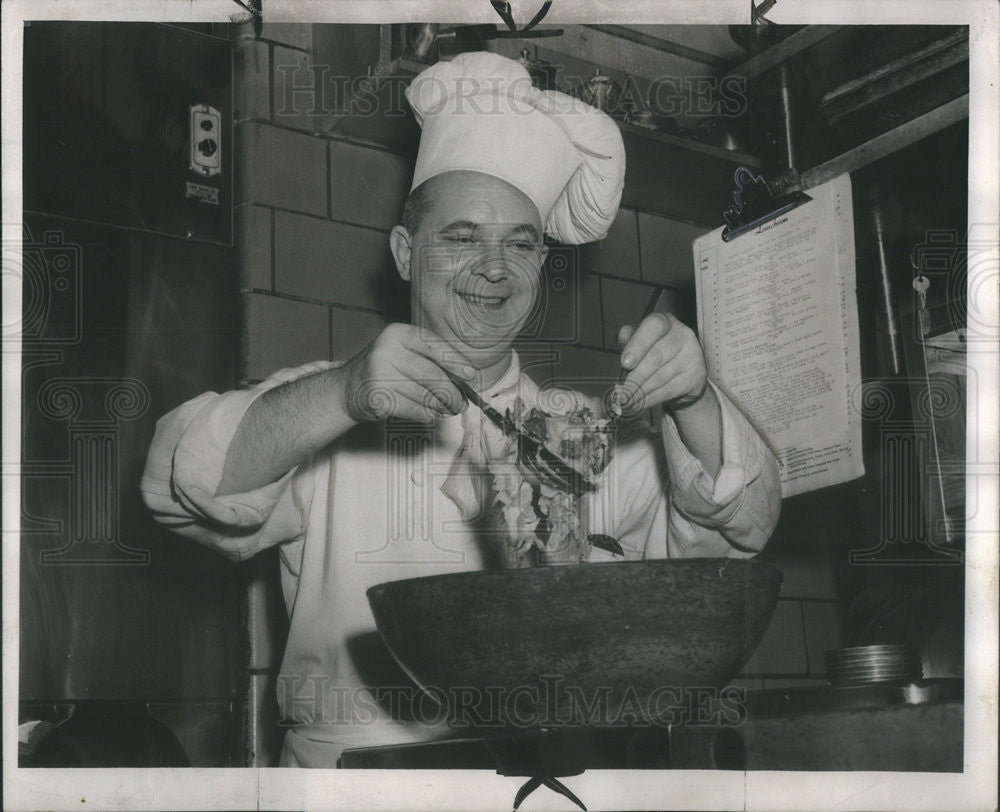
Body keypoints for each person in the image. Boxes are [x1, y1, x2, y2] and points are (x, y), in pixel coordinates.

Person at [142, 52, 781, 767]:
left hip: (539, 777)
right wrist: (347, 392)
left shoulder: (579, 430)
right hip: (353, 787)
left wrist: (693, 398)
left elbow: (736, 536)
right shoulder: (330, 405)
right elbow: (184, 483)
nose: (496, 268)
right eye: (462, 237)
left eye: (521, 243)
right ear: (406, 253)